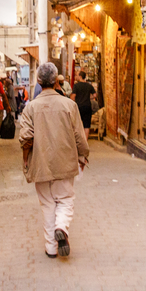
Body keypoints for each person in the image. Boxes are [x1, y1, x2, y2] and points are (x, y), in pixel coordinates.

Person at [19, 62, 90, 258]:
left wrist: (26, 162)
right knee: (65, 200)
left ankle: (51, 248)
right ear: (57, 80)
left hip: (40, 164)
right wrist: (83, 155)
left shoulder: (30, 108)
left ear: (39, 81)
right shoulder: (69, 105)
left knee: (47, 205)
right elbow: (79, 136)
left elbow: (26, 138)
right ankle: (61, 227)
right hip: (65, 162)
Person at [70, 70, 96, 142]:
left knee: (77, 125)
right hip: (87, 106)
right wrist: (89, 97)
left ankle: (78, 141)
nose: (76, 76)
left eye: (77, 75)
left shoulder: (76, 86)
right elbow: (94, 95)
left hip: (78, 107)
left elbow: (73, 97)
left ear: (80, 76)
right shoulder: (89, 86)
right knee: (86, 126)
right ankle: (85, 142)